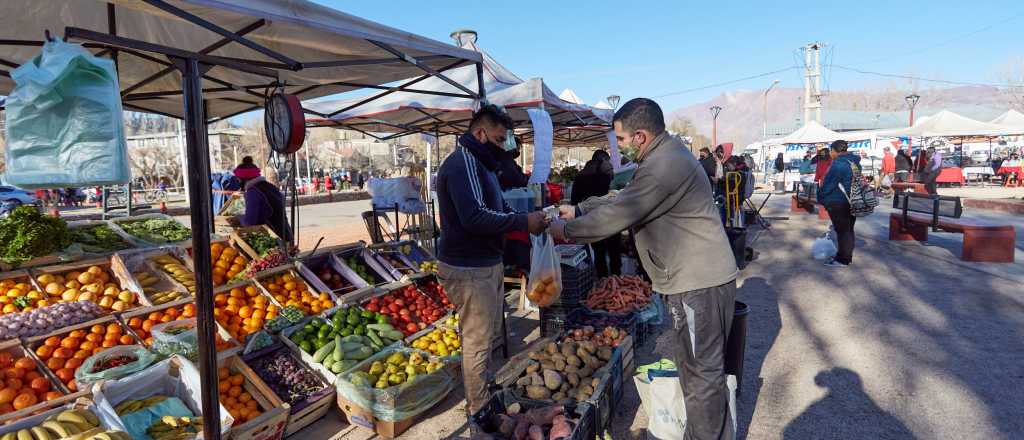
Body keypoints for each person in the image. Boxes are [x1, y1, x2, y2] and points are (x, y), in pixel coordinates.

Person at [549, 98, 737, 440]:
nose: (618, 147)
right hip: (689, 280)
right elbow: (623, 197)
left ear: (640, 136)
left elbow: (622, 212)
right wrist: (579, 210)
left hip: (699, 283)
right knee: (695, 372)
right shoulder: (662, 157)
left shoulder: (665, 164)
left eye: (620, 140)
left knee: (702, 376)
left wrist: (568, 231)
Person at [435, 104, 547, 414]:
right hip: (468, 269)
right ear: (480, 133)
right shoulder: (464, 164)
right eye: (498, 141)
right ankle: (478, 409)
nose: (502, 148)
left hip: (484, 264)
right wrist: (523, 222)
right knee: (477, 342)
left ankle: (483, 391)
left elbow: (496, 208)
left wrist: (523, 216)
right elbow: (475, 217)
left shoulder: (482, 164)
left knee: (486, 337)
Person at [570, 150, 621, 277]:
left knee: (599, 253)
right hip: (611, 218)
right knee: (614, 251)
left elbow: (574, 201)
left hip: (592, 220)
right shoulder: (607, 174)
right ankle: (617, 279)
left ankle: (603, 280)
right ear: (604, 160)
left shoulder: (580, 175)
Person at [816, 140, 860, 267]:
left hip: (838, 201)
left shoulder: (839, 164)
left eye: (831, 150)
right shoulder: (854, 162)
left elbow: (829, 185)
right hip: (852, 200)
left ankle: (842, 259)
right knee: (849, 230)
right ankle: (846, 256)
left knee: (842, 231)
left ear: (835, 151)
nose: (830, 153)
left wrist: (821, 197)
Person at [234, 156, 292, 242]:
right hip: (286, 234)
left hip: (274, 240)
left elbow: (250, 222)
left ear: (244, 179)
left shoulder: (253, 192)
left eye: (238, 179)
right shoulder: (269, 186)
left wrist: (238, 218)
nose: (237, 182)